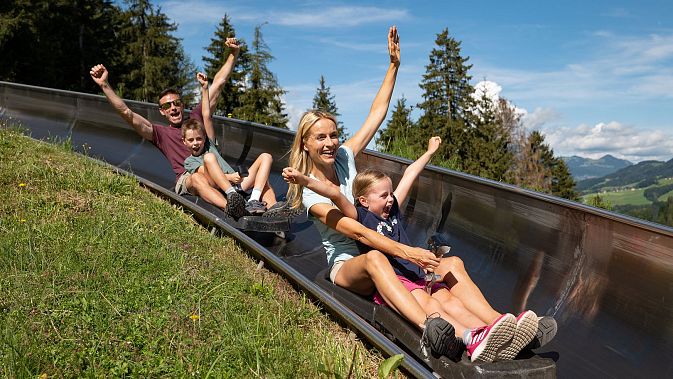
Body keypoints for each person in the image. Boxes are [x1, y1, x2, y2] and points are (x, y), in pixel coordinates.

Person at [282, 26, 481, 361]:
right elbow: (359, 232)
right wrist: (409, 251)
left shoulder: (345, 156)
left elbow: (376, 115)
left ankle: (487, 327)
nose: (330, 143)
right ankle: (429, 328)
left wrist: (393, 67)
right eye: (320, 138)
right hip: (350, 264)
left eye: (333, 135)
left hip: (387, 252)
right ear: (306, 143)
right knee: (374, 258)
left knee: (445, 267)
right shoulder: (311, 197)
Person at [284, 136, 539, 362]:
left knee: (449, 299)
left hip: (413, 272)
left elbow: (409, 175)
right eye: (383, 195)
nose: (390, 199)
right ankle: (470, 337)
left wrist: (428, 153)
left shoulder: (392, 208)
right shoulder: (358, 215)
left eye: (390, 194)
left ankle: (496, 331)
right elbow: (333, 192)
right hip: (398, 278)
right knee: (431, 304)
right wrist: (304, 180)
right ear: (363, 200)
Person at [89, 38, 277, 213]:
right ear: (162, 111)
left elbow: (218, 84)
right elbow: (127, 113)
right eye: (167, 106)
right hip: (190, 178)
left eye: (176, 103)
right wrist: (105, 85)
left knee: (263, 178)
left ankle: (273, 212)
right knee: (197, 177)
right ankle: (233, 208)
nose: (173, 108)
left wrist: (233, 54)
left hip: (221, 176)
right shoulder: (159, 133)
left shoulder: (196, 118)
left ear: (182, 105)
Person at [181, 72, 275, 217]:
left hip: (237, 184)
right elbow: (205, 173)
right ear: (185, 142)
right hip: (221, 187)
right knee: (209, 158)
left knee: (266, 157)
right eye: (191, 140)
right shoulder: (190, 161)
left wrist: (205, 88)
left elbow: (206, 115)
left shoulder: (209, 145)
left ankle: (258, 202)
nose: (195, 143)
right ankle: (233, 196)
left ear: (204, 138)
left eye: (199, 139)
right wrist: (229, 178)